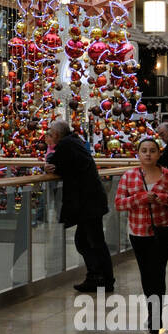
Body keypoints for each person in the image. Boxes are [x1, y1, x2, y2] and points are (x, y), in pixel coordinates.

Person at [113, 137, 168, 334]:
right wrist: (140, 198)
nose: (148, 154)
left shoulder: (167, 175)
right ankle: (152, 311)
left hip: (162, 231)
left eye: (152, 150)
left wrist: (164, 199)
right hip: (139, 232)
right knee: (147, 273)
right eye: (144, 150)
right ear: (138, 154)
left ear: (159, 154)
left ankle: (155, 316)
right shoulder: (129, 176)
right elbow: (119, 204)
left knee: (158, 273)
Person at [44, 120, 113, 293]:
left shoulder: (67, 145)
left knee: (90, 241)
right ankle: (99, 277)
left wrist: (50, 164)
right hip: (90, 201)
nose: (48, 137)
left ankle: (101, 278)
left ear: (57, 135)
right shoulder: (74, 142)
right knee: (88, 241)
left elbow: (55, 161)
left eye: (50, 134)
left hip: (88, 202)